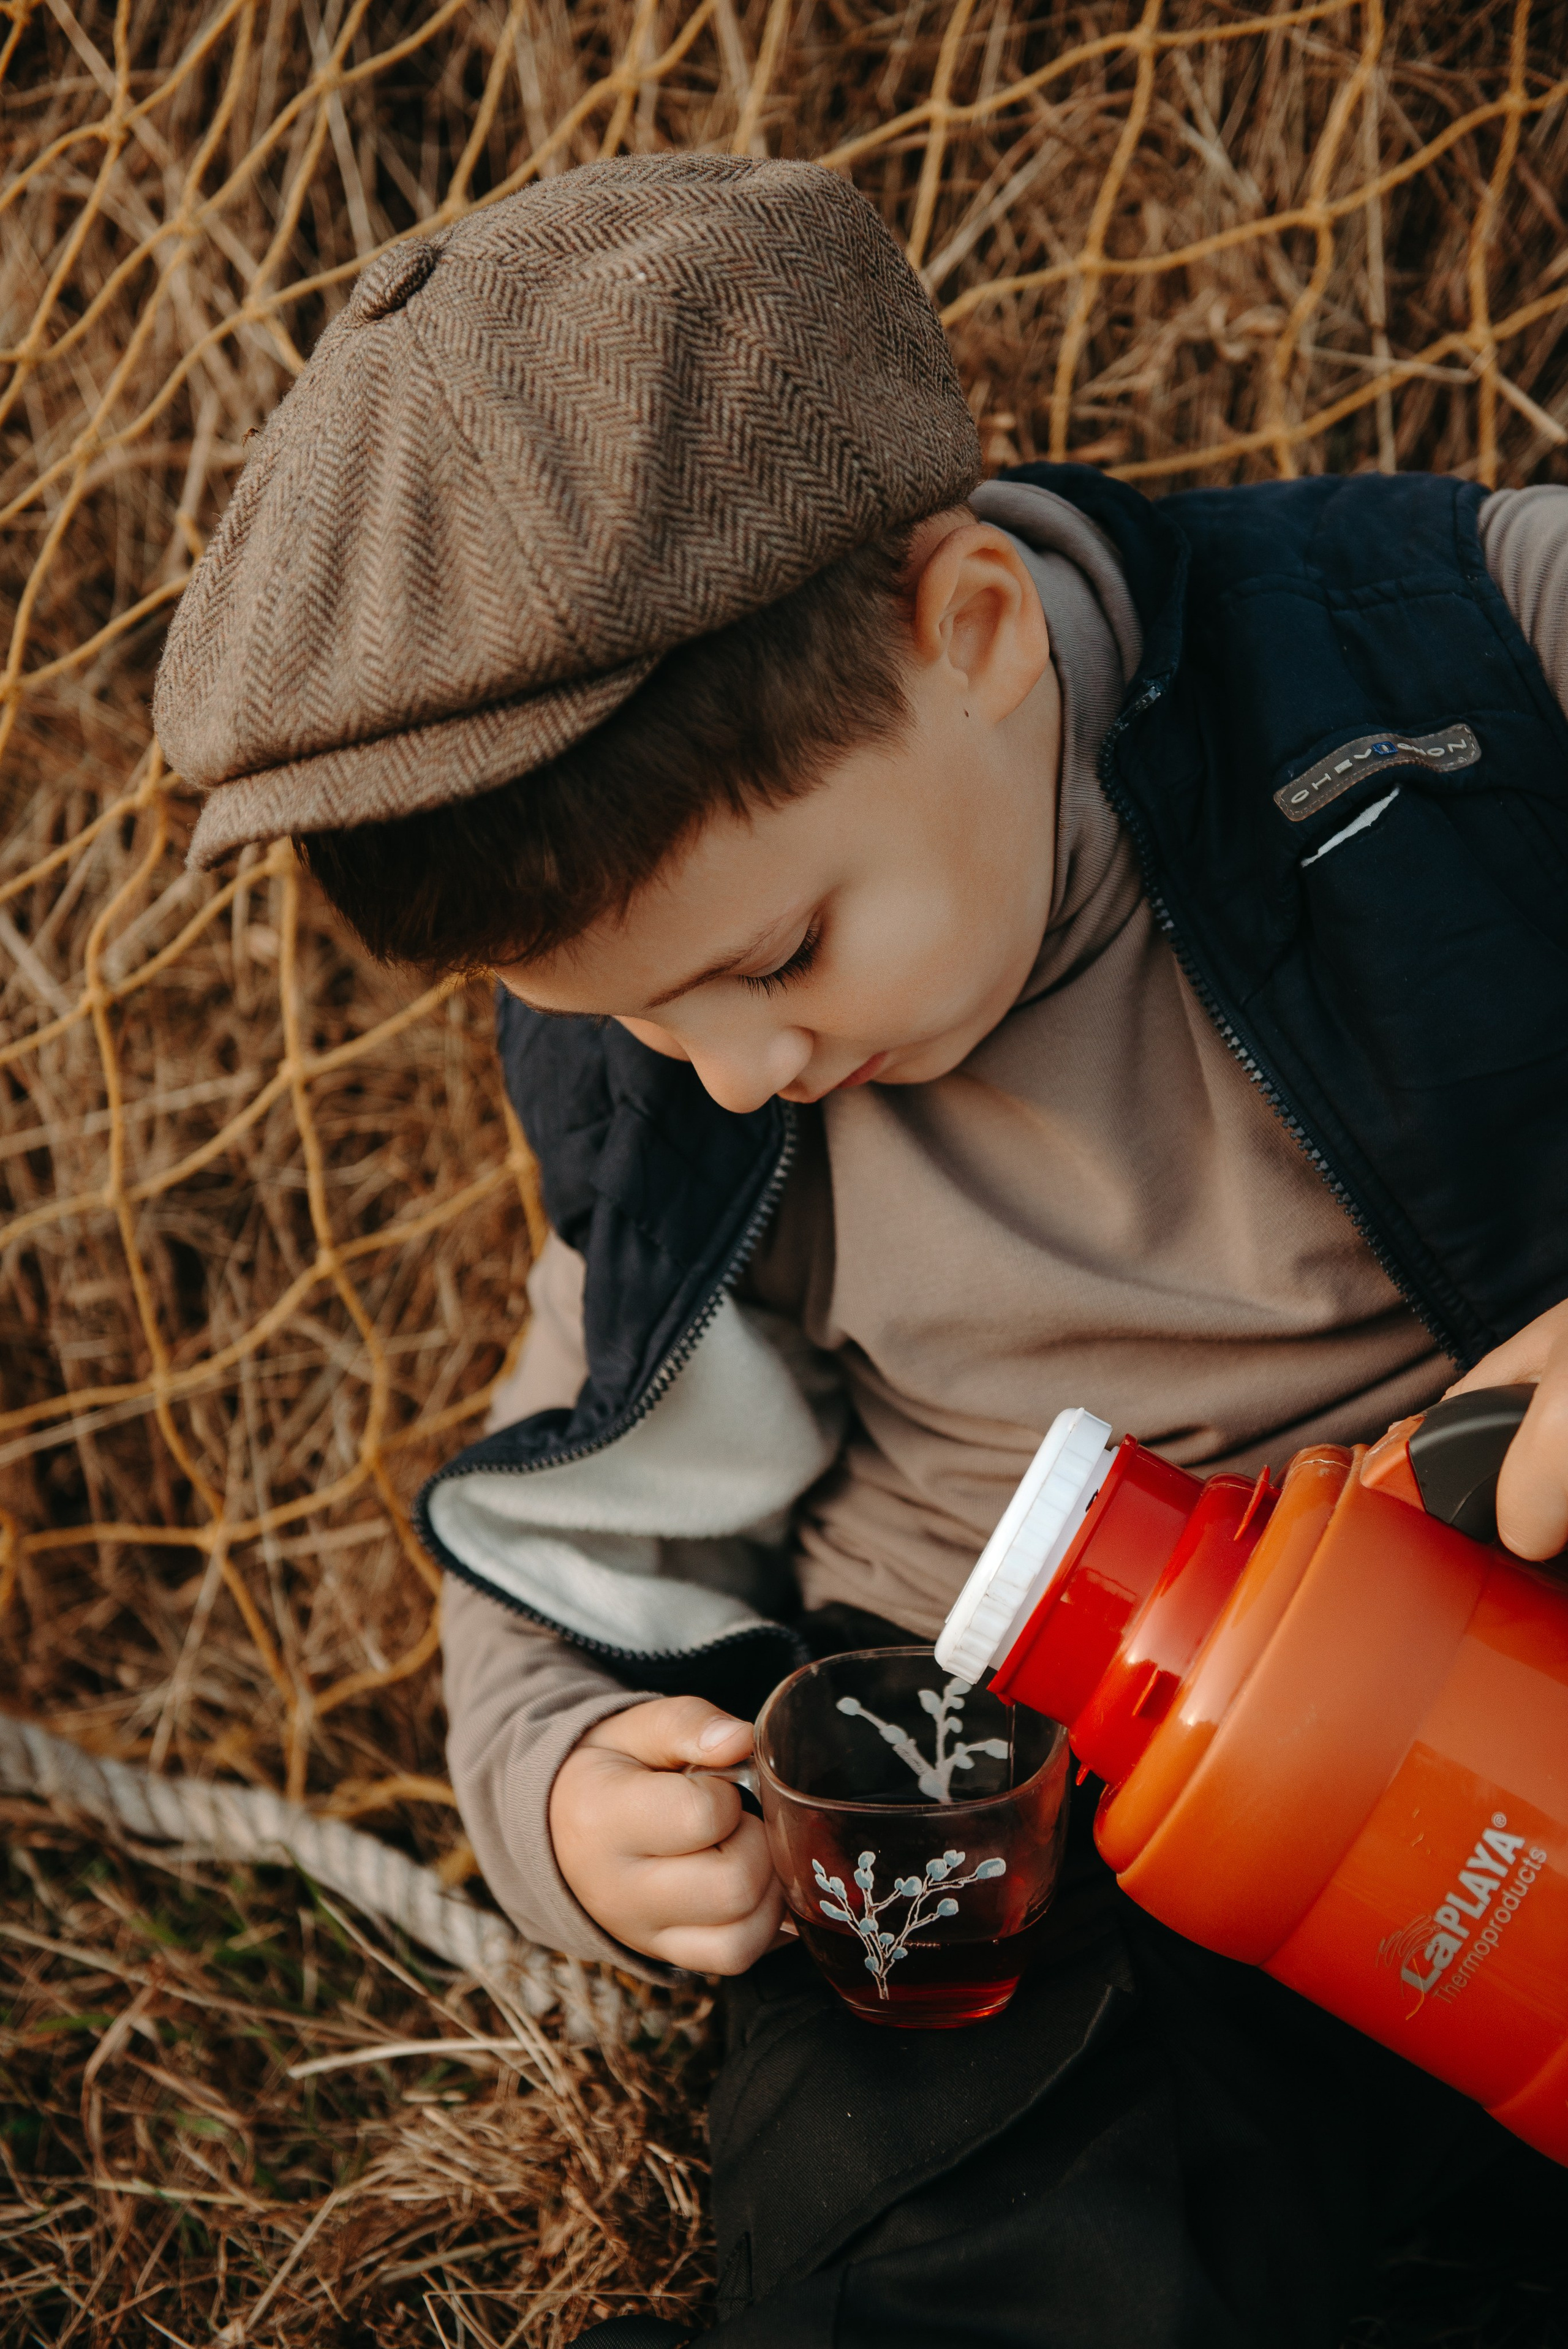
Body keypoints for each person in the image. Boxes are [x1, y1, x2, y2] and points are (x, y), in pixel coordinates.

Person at [153, 153, 1568, 2348]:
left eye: (780, 953)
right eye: (630, 1012)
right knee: (965, 2211)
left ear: (979, 636)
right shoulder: (694, 1094)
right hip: (1039, 1803)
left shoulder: (1458, 651)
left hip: (1504, 1631)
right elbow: (583, 1479)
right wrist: (562, 1790)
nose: (729, 1073)